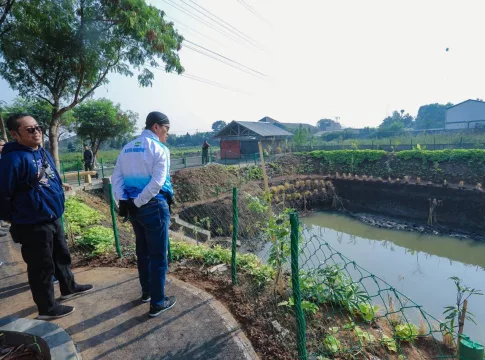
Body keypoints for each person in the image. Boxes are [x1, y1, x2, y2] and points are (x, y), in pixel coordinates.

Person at [0, 114, 93, 320]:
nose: (37, 132)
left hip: (53, 215)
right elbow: (3, 193)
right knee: (41, 266)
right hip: (32, 222)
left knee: (61, 255)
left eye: (38, 127)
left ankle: (68, 287)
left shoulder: (42, 152)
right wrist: (13, 217)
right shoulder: (12, 160)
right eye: (30, 129)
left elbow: (53, 177)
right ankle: (47, 308)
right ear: (15, 134)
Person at [112, 111, 176, 318]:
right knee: (158, 255)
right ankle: (158, 303)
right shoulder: (159, 148)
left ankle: (147, 292)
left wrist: (124, 202)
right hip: (153, 206)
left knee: (143, 251)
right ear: (156, 127)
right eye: (166, 129)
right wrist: (139, 202)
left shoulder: (127, 148)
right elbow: (158, 182)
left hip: (133, 208)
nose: (166, 134)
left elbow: (117, 178)